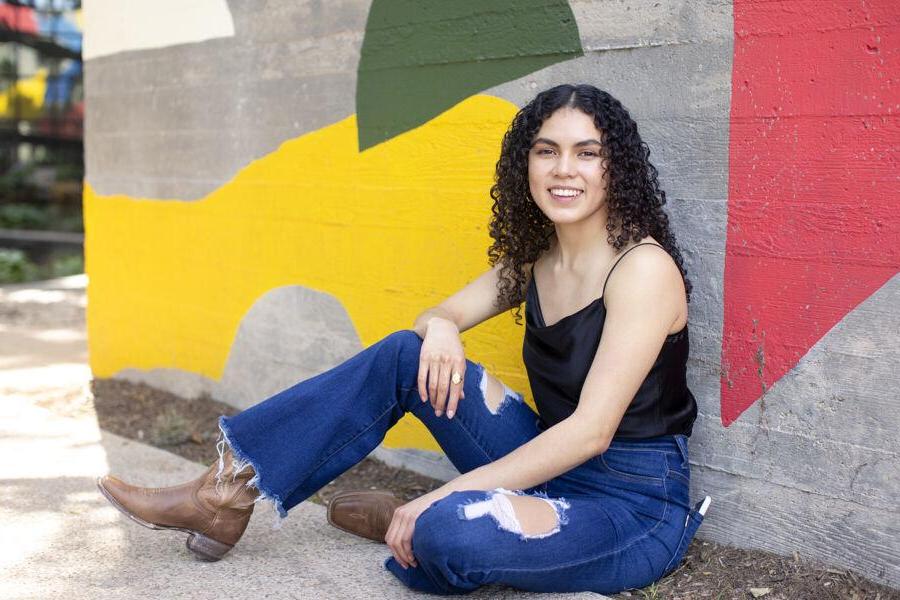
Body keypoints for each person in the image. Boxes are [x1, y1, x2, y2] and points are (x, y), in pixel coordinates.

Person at [97, 83, 708, 596]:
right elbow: (440, 312)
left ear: (614, 167)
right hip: (547, 466)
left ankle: (423, 519)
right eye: (546, 151)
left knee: (451, 534)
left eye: (586, 153)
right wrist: (442, 328)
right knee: (405, 354)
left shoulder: (642, 271)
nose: (563, 170)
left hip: (631, 507)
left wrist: (441, 494)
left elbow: (592, 431)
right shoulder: (535, 261)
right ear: (526, 163)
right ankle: (225, 492)